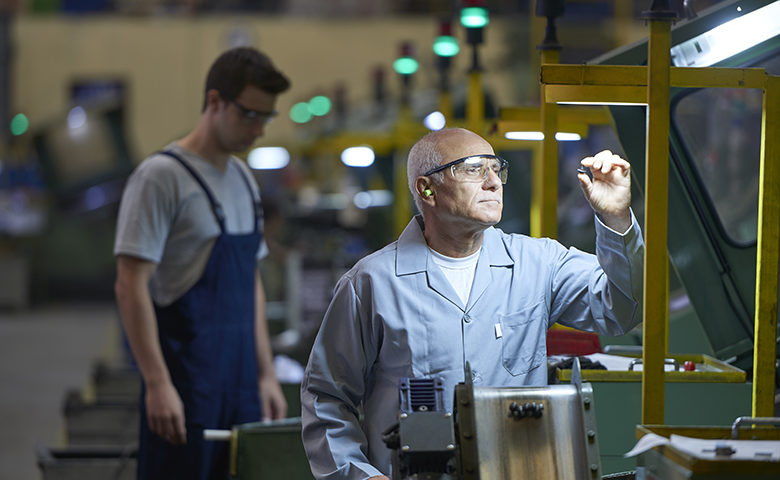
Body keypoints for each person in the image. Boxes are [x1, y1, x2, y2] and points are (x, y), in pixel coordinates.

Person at [300, 127, 644, 480]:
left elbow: (623, 309)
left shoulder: (539, 264)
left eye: (497, 169)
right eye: (473, 169)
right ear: (427, 189)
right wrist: (360, 475)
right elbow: (326, 397)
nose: (493, 182)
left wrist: (616, 219)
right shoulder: (371, 284)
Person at [114, 46, 291, 479]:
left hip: (241, 382)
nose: (259, 130)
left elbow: (249, 279)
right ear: (215, 102)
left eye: (266, 118)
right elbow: (130, 283)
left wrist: (265, 374)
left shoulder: (244, 181)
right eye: (250, 115)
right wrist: (157, 384)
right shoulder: (161, 177)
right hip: (187, 383)